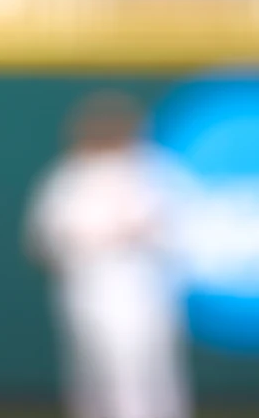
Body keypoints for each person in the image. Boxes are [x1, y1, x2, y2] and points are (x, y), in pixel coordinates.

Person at [23, 91, 190, 418]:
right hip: (87, 289)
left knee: (151, 373)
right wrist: (93, 241)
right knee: (93, 375)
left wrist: (143, 234)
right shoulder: (69, 177)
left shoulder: (154, 172)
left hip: (146, 288)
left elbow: (182, 233)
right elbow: (43, 241)